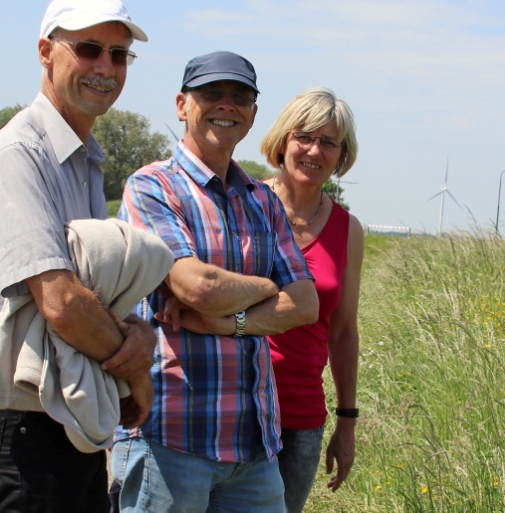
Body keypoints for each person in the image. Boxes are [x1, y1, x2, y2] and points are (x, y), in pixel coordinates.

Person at [0, 0, 157, 513]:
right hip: (26, 430)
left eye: (119, 55)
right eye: (88, 49)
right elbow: (63, 302)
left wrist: (135, 330)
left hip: (68, 419)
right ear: (46, 51)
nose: (106, 68)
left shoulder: (83, 159)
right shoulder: (17, 154)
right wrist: (136, 367)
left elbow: (93, 291)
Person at [111, 51, 320, 512]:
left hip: (253, 446)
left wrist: (228, 323)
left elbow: (306, 303)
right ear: (182, 104)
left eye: (240, 96)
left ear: (253, 115)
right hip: (169, 437)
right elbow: (196, 287)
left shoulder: (262, 200)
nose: (227, 104)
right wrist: (267, 285)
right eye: (212, 94)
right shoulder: (153, 188)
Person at [258, 87, 363, 513]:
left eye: (329, 141)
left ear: (341, 155)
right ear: (283, 140)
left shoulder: (347, 229)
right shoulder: (246, 203)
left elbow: (344, 332)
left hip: (302, 418)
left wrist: (347, 423)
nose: (314, 150)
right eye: (304, 136)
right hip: (236, 404)